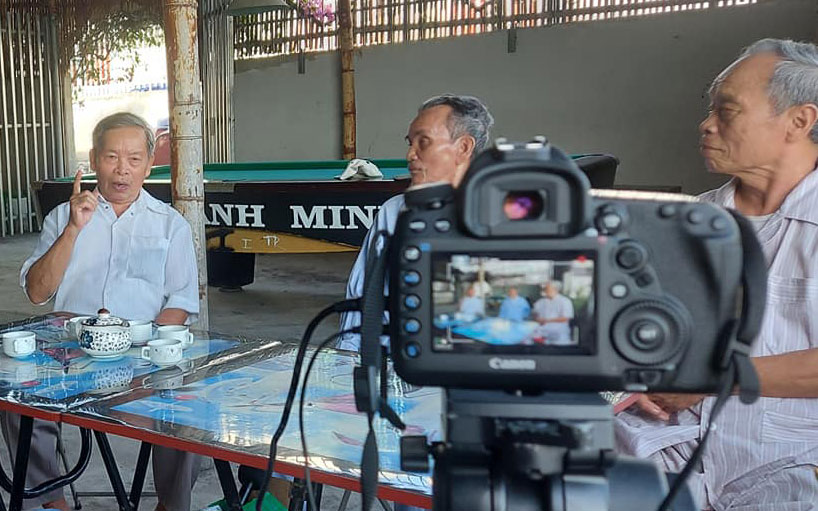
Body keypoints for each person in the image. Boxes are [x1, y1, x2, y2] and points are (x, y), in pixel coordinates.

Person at [615, 38, 818, 509]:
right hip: (662, 444)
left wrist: (714, 377)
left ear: (799, 121)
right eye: (711, 110)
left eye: (727, 111)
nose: (706, 124)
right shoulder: (689, 222)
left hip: (789, 459)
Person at [5, 112, 201, 511]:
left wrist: (147, 354)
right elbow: (37, 292)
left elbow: (181, 302)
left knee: (191, 407)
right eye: (112, 157)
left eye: (134, 159)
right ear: (94, 160)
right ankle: (51, 502)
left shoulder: (171, 225)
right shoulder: (63, 217)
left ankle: (171, 506)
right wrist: (73, 229)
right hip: (66, 357)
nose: (122, 169)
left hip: (139, 358)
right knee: (16, 400)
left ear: (149, 164)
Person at [338, 94, 494, 351]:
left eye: (424, 142)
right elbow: (363, 295)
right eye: (410, 143)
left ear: (464, 147)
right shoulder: (393, 211)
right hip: (396, 361)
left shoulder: (505, 213)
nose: (410, 154)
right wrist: (348, 358)